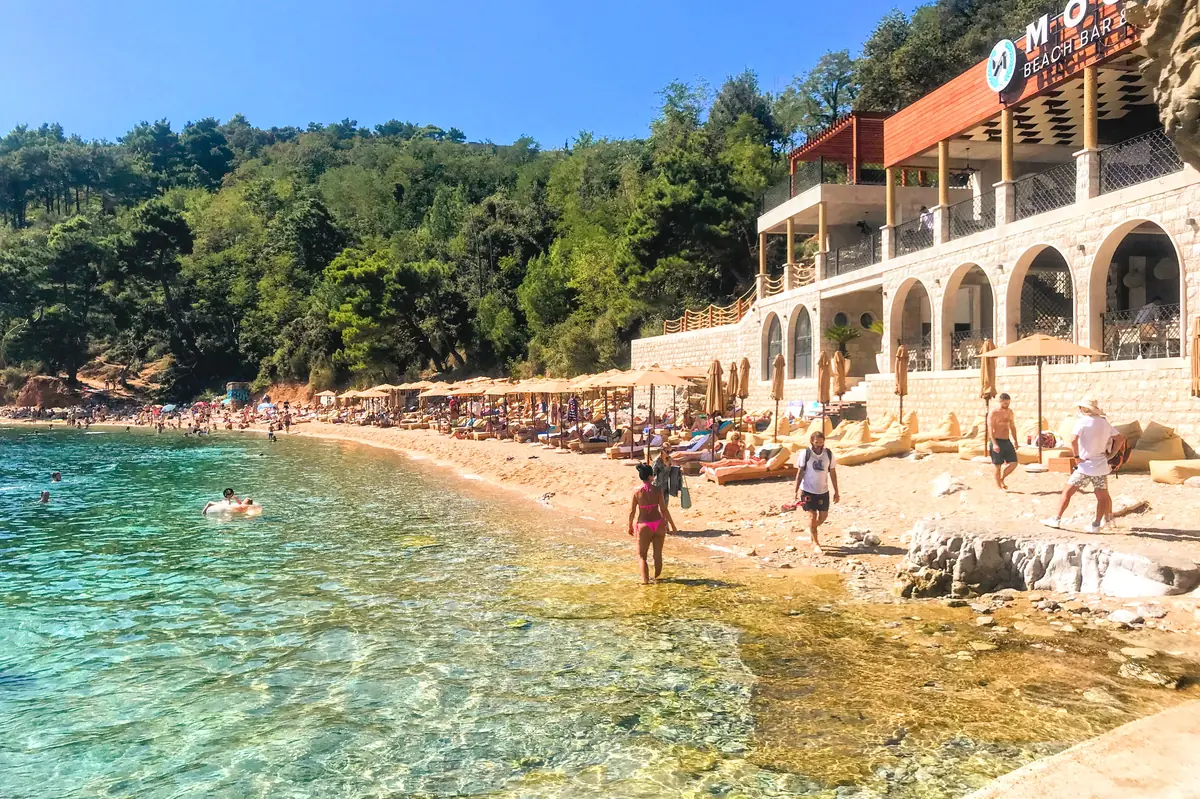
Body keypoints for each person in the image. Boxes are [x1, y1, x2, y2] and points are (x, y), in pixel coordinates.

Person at [1043, 397, 1125, 532]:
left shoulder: (1082, 422)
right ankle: (1097, 524)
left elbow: (1073, 439)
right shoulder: (1104, 423)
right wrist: (1111, 455)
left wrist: (1076, 456)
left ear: (1084, 409)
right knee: (1102, 496)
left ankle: (1057, 518)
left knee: (1067, 492)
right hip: (1100, 465)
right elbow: (1120, 438)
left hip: (1085, 466)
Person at [628, 462, 678, 585]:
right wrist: (672, 524)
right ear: (651, 476)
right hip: (658, 523)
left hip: (644, 524)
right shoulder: (657, 490)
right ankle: (657, 579)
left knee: (642, 556)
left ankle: (645, 582)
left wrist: (629, 525)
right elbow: (664, 509)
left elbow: (632, 511)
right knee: (657, 554)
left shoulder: (637, 492)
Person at [793, 430, 840, 552]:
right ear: (811, 442)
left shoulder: (828, 454)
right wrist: (796, 490)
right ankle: (816, 543)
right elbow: (800, 472)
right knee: (812, 516)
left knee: (823, 517)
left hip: (823, 491)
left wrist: (836, 491)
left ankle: (811, 529)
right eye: (816, 442)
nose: (819, 445)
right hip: (808, 490)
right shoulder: (805, 453)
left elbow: (833, 473)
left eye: (821, 442)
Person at [987, 393, 1019, 490]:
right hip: (997, 440)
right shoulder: (994, 413)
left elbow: (1012, 427)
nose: (1006, 405)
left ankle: (1002, 479)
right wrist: (995, 444)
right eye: (1004, 403)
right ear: (1000, 402)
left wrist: (1016, 440)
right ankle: (999, 487)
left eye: (1008, 403)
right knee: (998, 466)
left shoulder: (1010, 412)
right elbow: (990, 429)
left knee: (1014, 463)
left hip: (1006, 441)